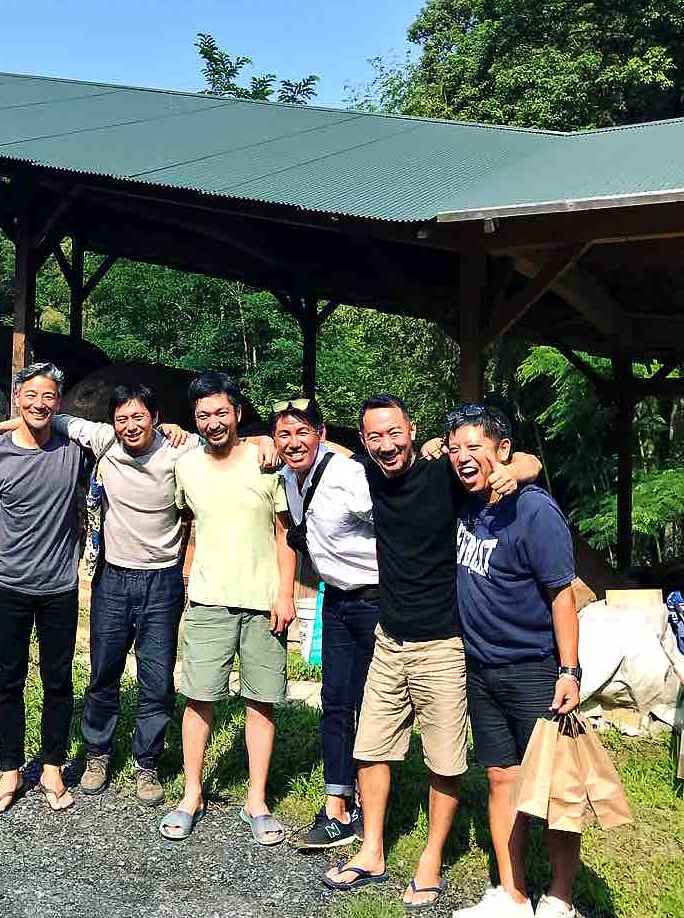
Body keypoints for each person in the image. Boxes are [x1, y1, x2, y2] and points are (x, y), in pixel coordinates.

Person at [0, 385, 276, 805]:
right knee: (103, 673)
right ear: (113, 423)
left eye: (139, 417)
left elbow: (226, 440)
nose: (130, 426)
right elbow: (46, 416)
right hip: (112, 578)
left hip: (162, 581)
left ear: (155, 417)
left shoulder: (182, 449)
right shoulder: (104, 440)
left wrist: (265, 439)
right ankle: (98, 753)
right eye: (122, 419)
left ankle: (146, 764)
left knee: (156, 678)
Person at [324, 394, 542, 910]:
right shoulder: (367, 471)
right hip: (388, 639)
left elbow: (521, 459)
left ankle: (431, 858)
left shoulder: (441, 471)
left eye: (395, 433)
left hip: (443, 644)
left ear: (413, 430)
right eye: (374, 436)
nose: (386, 444)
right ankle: (372, 848)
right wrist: (265, 439)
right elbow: (311, 447)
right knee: (370, 749)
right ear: (364, 442)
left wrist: (519, 470)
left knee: (444, 761)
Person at [445, 404, 581, 918]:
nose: (462, 458)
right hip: (480, 669)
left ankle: (561, 896)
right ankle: (513, 893)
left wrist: (569, 670)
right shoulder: (466, 497)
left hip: (535, 669)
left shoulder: (535, 510)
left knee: (553, 786)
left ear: (502, 450)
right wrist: (447, 450)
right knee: (502, 779)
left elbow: (562, 595)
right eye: (455, 448)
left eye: (474, 447)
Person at [160, 372, 296, 844]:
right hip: (208, 600)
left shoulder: (266, 463)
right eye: (203, 415)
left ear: (237, 414)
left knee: (261, 702)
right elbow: (186, 523)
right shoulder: (187, 466)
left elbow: (285, 535)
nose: (213, 422)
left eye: (221, 412)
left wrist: (285, 594)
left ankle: (256, 799)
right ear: (193, 420)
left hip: (263, 602)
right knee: (199, 697)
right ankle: (191, 793)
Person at [0, 361, 82, 814]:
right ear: (18, 398)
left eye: (48, 395)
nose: (39, 403)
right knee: (9, 679)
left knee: (57, 680)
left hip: (60, 589)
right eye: (30, 395)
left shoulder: (73, 449)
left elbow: (120, 433)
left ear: (59, 401)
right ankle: (10, 770)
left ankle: (52, 767)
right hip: (10, 586)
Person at [272, 397, 380, 850]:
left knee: (378, 707)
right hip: (335, 600)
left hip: (378, 600)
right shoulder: (285, 479)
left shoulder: (349, 475)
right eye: (284, 434)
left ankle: (377, 807)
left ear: (321, 434)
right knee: (334, 701)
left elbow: (393, 523)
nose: (294, 442)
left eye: (303, 432)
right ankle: (338, 806)